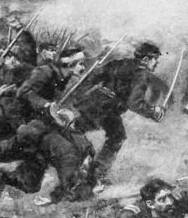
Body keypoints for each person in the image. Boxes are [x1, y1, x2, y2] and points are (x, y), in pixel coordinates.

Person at [0, 46, 95, 203]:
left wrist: (66, 116)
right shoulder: (45, 72)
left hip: (44, 125)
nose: (83, 67)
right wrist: (46, 105)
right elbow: (24, 92)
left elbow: (62, 103)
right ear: (69, 64)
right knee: (65, 151)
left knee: (30, 184)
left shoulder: (64, 78)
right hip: (32, 125)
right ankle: (71, 192)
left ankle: (3, 177)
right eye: (81, 63)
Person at [71, 42, 166, 189]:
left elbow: (93, 76)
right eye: (155, 59)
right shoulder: (142, 74)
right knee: (117, 136)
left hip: (92, 102)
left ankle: (77, 164)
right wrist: (153, 111)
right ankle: (96, 174)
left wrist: (80, 95)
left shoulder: (119, 63)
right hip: (108, 109)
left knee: (79, 126)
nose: (156, 63)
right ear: (146, 59)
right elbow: (135, 104)